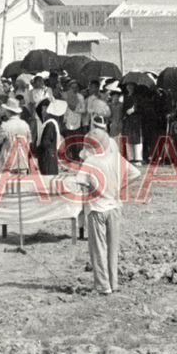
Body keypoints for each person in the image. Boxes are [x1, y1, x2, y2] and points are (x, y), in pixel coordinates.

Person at [61, 114, 137, 295]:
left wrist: (91, 184)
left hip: (96, 209)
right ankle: (114, 282)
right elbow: (135, 173)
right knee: (112, 247)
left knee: (98, 248)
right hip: (115, 207)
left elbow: (79, 181)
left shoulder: (90, 161)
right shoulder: (116, 158)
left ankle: (103, 285)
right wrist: (119, 187)